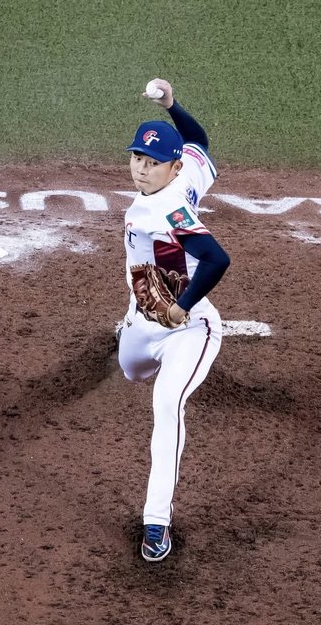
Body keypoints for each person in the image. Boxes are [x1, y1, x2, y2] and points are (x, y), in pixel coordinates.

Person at [118, 78, 230, 562]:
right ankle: (134, 343)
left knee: (167, 404)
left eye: (152, 162)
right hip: (141, 324)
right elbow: (199, 141)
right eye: (137, 158)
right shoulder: (184, 178)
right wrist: (172, 105)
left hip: (188, 328)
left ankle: (156, 522)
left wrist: (183, 306)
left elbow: (217, 259)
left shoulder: (167, 210)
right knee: (130, 370)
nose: (142, 169)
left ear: (172, 167)